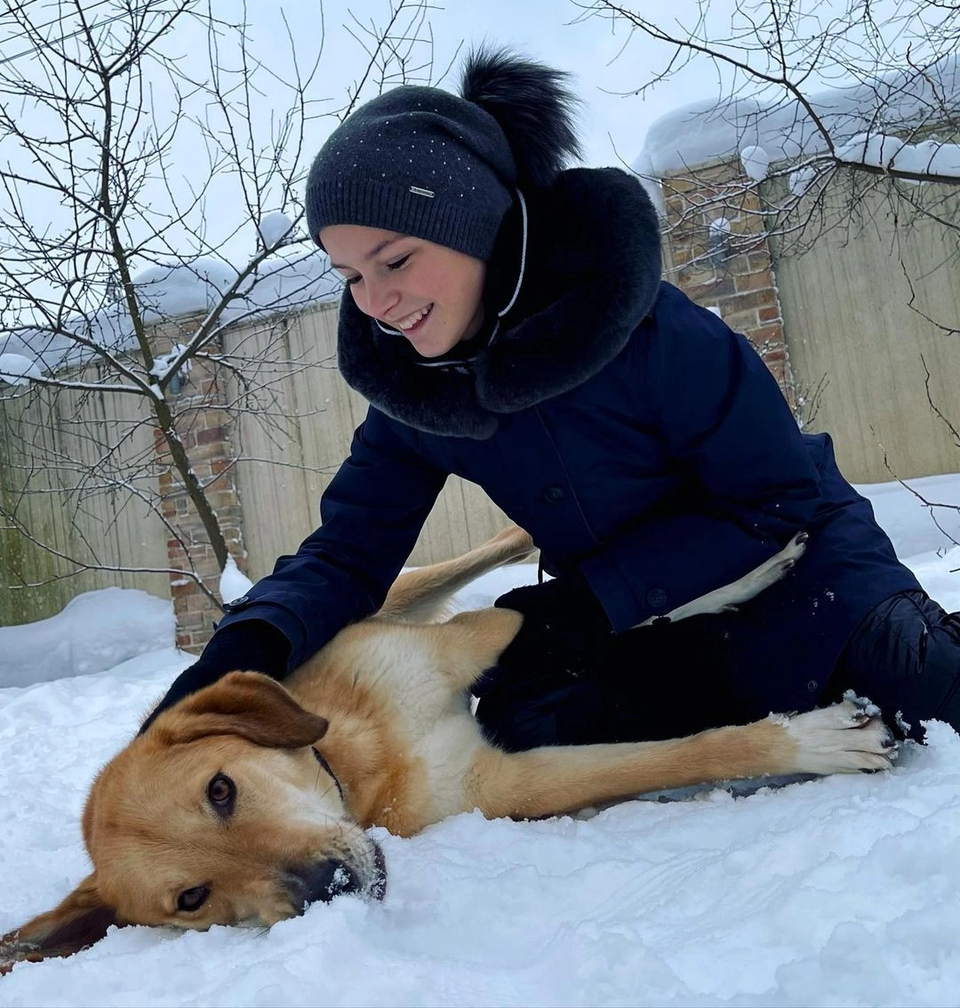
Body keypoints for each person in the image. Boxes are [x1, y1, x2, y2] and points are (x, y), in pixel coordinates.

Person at [143, 47, 960, 747]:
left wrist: (578, 604)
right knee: (524, 721)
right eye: (350, 276)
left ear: (477, 228)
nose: (374, 300)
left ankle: (852, 675)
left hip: (793, 560)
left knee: (923, 677)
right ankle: (780, 705)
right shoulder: (413, 395)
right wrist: (245, 647)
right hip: (633, 616)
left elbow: (774, 503)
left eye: (394, 261)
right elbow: (351, 553)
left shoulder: (651, 335)